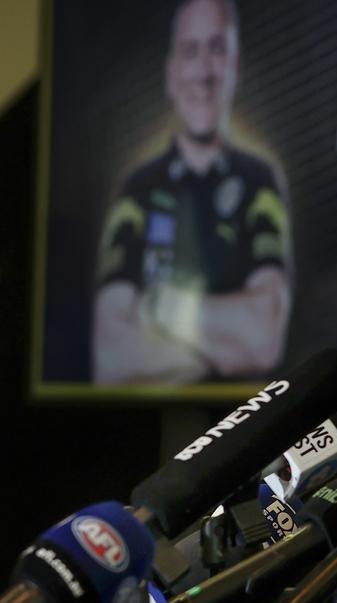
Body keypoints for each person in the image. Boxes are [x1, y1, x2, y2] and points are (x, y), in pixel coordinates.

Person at [93, 0, 290, 384]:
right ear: (171, 74)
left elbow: (264, 340)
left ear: (234, 67)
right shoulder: (137, 190)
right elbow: (111, 354)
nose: (203, 71)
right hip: (144, 428)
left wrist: (158, 307)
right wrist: (225, 348)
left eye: (217, 49)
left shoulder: (260, 180)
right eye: (190, 51)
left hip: (257, 424)